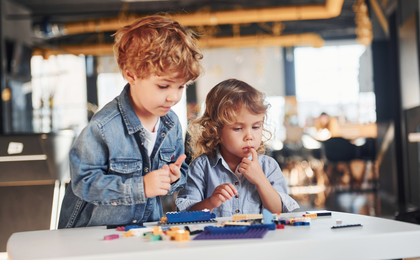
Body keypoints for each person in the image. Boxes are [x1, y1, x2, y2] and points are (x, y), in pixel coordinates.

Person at [58, 15, 203, 228]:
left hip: (141, 230)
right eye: (163, 86)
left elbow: (178, 172)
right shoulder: (104, 127)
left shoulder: (171, 123)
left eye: (181, 86)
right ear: (131, 75)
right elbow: (84, 182)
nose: (173, 97)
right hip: (93, 235)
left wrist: (173, 178)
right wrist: (141, 187)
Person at [176, 79, 299, 217]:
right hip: (215, 238)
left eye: (256, 127)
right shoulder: (201, 167)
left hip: (260, 237)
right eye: (238, 128)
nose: (249, 136)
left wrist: (260, 180)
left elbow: (279, 211)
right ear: (216, 130)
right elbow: (185, 215)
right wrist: (211, 202)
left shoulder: (268, 166)